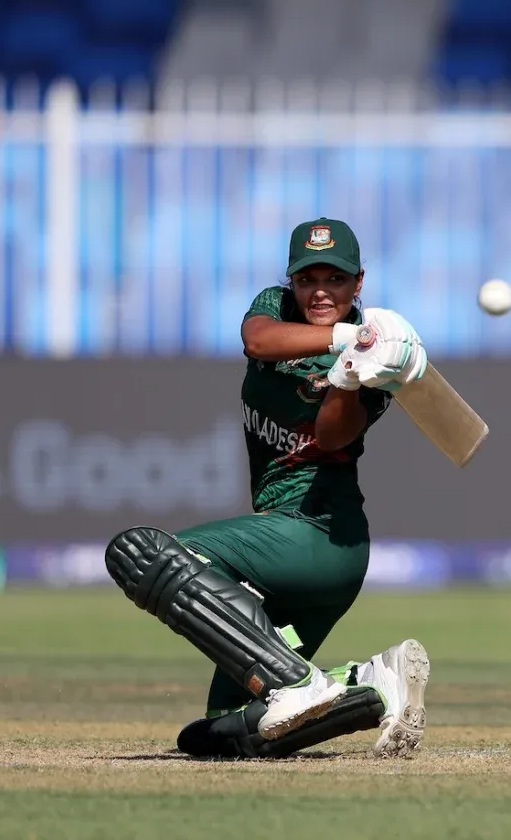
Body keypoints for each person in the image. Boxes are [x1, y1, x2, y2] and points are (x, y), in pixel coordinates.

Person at [104, 217, 431, 759]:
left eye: (335, 279)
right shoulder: (275, 308)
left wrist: (352, 373)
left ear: (359, 284)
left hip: (320, 537)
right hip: (286, 547)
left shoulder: (378, 365)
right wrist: (346, 336)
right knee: (219, 731)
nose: (320, 291)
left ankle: (300, 685)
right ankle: (373, 683)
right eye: (308, 279)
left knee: (143, 554)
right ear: (292, 281)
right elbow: (256, 341)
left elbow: (331, 435)